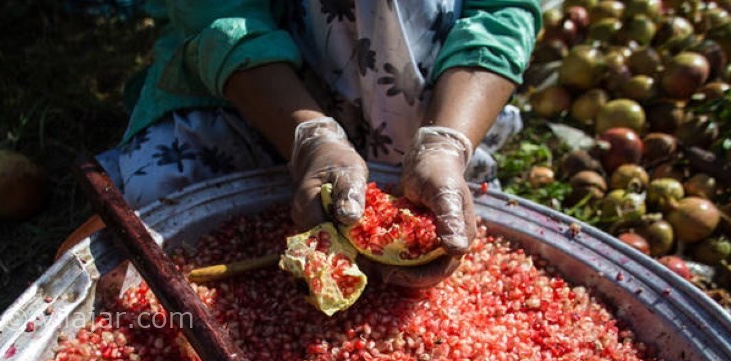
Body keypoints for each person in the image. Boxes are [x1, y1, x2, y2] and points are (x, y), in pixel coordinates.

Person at [62, 0, 542, 287]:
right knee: (157, 218)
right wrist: (310, 137)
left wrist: (446, 142)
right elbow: (217, 10)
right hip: (251, 89)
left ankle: (408, 153)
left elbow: (502, 12)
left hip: (418, 99)